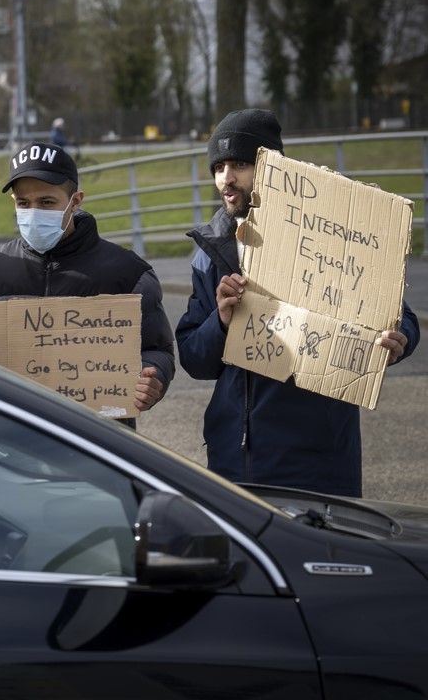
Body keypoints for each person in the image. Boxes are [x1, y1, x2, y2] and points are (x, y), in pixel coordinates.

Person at [176, 108, 418, 498]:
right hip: (236, 463)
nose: (226, 178)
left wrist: (399, 337)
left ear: (273, 166)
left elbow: (398, 315)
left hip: (320, 464)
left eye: (239, 164)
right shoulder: (211, 251)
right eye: (218, 167)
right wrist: (219, 322)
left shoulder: (331, 236)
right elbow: (194, 360)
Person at [0, 142, 174, 428]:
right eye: (23, 203)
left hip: (98, 444)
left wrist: (153, 376)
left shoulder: (127, 272)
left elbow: (157, 349)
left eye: (46, 202)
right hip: (11, 443)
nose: (33, 212)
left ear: (75, 201)